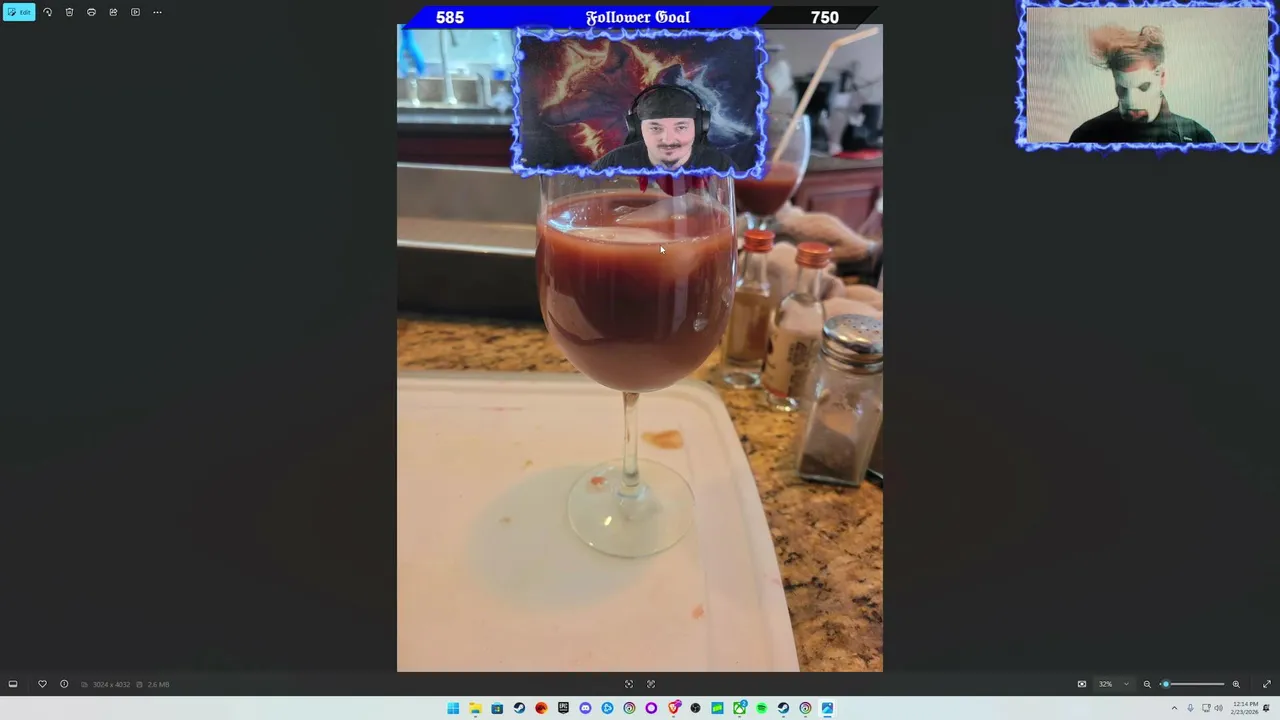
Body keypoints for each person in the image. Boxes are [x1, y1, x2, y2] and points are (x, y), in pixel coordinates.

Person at [1068, 25, 1215, 144]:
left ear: (1162, 77)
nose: (1131, 101)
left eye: (1143, 86)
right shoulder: (1086, 137)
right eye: (1122, 88)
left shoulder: (1199, 138)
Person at [592, 85, 736, 171]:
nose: (668, 140)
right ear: (637, 129)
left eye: (681, 127)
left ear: (699, 127)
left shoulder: (721, 166)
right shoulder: (613, 164)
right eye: (655, 128)